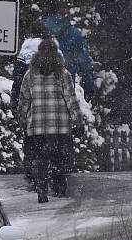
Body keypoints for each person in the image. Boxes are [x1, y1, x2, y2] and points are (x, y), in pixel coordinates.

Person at [18, 38, 84, 203]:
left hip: (37, 127)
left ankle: (41, 189)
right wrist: (78, 121)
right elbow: (71, 100)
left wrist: (22, 121)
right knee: (58, 158)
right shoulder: (63, 74)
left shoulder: (30, 74)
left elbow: (24, 100)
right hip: (59, 128)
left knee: (40, 159)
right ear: (56, 54)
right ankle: (59, 187)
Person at [43, 15, 95, 102]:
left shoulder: (42, 30)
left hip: (41, 86)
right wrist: (89, 86)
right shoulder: (73, 34)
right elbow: (84, 61)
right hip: (65, 86)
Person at [10, 20, 48, 109]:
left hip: (30, 98)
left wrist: (14, 100)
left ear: (31, 33)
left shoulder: (25, 53)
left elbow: (18, 78)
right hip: (50, 99)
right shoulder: (54, 52)